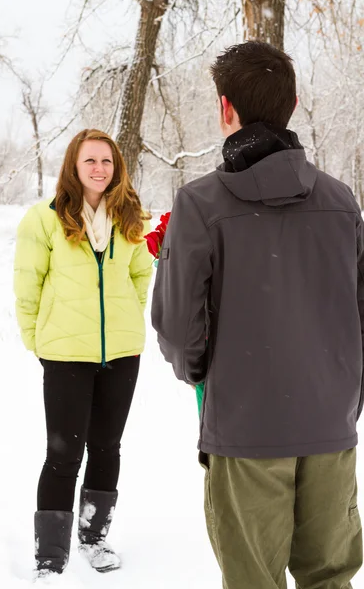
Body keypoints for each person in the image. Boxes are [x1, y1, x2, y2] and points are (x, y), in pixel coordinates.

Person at [151, 41, 363, 588]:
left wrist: (206, 376)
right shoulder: (343, 203)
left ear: (225, 108)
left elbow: (177, 330)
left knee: (252, 581)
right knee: (331, 579)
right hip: (329, 428)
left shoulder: (201, 204)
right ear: (293, 104)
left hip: (246, 429)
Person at [14, 129, 153, 578]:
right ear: (74, 166)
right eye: (90, 161)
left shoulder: (131, 218)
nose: (99, 169)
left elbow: (140, 277)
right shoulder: (45, 218)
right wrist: (37, 338)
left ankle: (94, 537)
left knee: (107, 447)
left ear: (117, 168)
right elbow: (27, 284)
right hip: (65, 354)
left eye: (107, 162)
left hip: (122, 353)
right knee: (62, 454)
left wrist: (127, 318)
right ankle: (50, 558)